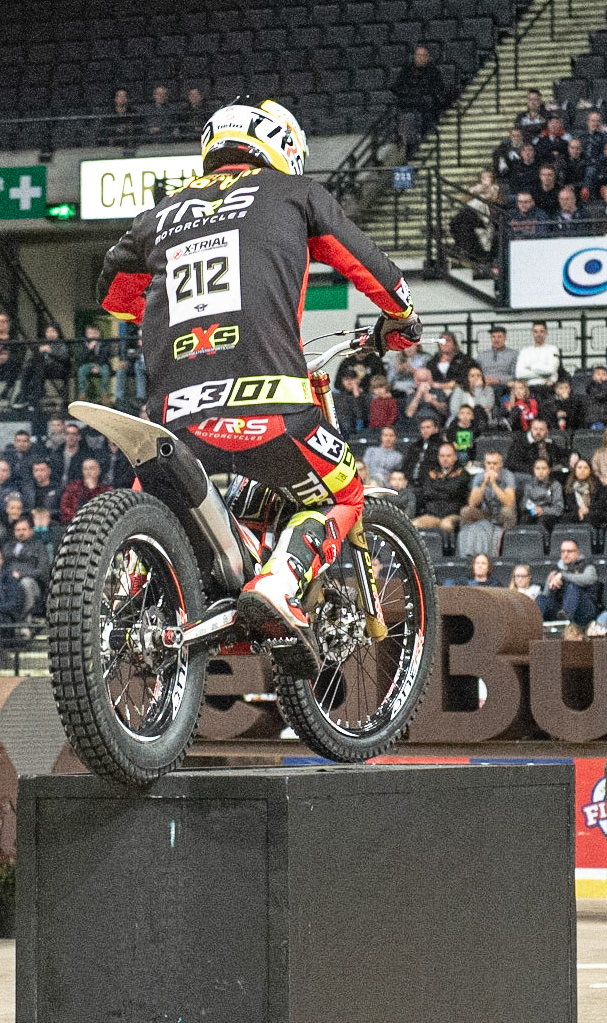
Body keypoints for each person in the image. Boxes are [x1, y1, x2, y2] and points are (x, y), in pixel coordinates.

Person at [97, 98, 421, 674]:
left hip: (169, 419)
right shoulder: (293, 195)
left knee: (173, 505)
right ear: (282, 147)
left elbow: (114, 297)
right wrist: (401, 317)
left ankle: (133, 598)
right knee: (341, 492)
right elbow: (369, 265)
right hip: (269, 405)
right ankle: (279, 582)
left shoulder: (160, 215)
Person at [456, 450, 516, 559]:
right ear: (485, 464)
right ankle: (465, 549)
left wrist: (493, 484)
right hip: (486, 514)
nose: (491, 466)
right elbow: (472, 503)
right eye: (488, 463)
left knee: (507, 511)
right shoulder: (479, 477)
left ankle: (504, 549)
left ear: (501, 464)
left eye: (494, 463)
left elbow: (509, 502)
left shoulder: (508, 476)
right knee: (466, 511)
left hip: (502, 514)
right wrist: (484, 483)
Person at [391, 44, 446, 157]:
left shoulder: (433, 71)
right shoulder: (406, 70)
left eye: (423, 55)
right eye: (418, 55)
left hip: (426, 107)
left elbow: (438, 89)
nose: (420, 58)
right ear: (414, 56)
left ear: (427, 57)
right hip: (408, 104)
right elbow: (396, 87)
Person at [412, 441, 469, 542]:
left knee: (446, 525)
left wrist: (438, 488)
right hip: (432, 514)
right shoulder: (432, 473)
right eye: (442, 456)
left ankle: (449, 555)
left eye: (448, 456)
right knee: (414, 524)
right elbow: (427, 492)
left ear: (455, 457)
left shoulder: (463, 473)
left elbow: (455, 490)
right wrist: (446, 490)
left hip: (453, 515)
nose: (445, 459)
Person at [537, 537, 598, 627]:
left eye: (569, 551)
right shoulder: (556, 569)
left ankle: (565, 620)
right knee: (541, 598)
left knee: (572, 586)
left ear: (578, 552)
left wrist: (563, 576)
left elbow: (589, 578)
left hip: (584, 608)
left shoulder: (587, 565)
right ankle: (535, 623)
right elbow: (547, 593)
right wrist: (551, 585)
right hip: (559, 608)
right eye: (563, 551)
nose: (565, 554)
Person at [16, 324, 71, 409]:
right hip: (42, 369)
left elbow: (64, 358)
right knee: (27, 369)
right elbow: (35, 357)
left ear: (58, 333)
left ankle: (36, 397)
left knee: (39, 369)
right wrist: (39, 351)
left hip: (57, 369)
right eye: (48, 332)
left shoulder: (61, 344)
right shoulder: (43, 344)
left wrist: (50, 352)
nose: (50, 334)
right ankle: (24, 396)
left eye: (52, 331)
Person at [564, 457, 607, 531]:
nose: (582, 470)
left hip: (595, 511)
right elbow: (570, 503)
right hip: (577, 512)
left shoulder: (597, 483)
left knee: (589, 516)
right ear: (575, 470)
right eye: (579, 468)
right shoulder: (570, 486)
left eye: (585, 468)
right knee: (565, 518)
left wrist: (588, 509)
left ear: (590, 471)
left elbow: (605, 501)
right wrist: (579, 511)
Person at [59, 456, 112, 523]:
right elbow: (64, 508)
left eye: (91, 468)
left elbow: (107, 512)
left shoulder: (105, 490)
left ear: (99, 470)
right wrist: (81, 518)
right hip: (74, 524)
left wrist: (92, 489)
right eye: (85, 469)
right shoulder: (73, 487)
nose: (88, 472)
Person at [519, 456, 563, 534]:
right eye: (538, 468)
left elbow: (559, 508)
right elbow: (523, 504)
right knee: (525, 519)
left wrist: (543, 510)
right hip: (532, 511)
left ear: (549, 470)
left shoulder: (555, 485)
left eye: (544, 468)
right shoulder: (529, 484)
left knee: (542, 521)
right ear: (534, 470)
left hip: (548, 514)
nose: (540, 471)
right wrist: (534, 509)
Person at [515, 321, 561, 388]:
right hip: (529, 388)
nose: (538, 334)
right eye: (535, 332)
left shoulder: (554, 350)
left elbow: (551, 369)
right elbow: (519, 374)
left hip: (547, 387)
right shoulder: (524, 351)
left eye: (541, 331)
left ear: (546, 333)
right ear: (532, 333)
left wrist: (531, 367)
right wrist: (545, 375)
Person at [76, 324, 112, 401]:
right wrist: (89, 349)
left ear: (99, 333)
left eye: (94, 333)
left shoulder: (104, 343)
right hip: (88, 364)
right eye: (89, 333)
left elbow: (105, 356)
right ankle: (82, 393)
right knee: (81, 370)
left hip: (101, 364)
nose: (92, 336)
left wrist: (98, 366)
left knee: (105, 371)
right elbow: (82, 358)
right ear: (86, 334)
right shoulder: (84, 344)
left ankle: (104, 394)